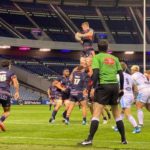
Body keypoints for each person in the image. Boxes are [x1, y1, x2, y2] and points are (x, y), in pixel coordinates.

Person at [80, 40, 127, 146]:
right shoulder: (115, 58)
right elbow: (121, 74)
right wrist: (122, 88)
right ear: (107, 47)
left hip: (104, 87)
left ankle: (89, 139)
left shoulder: (97, 57)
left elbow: (95, 74)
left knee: (96, 114)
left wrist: (90, 88)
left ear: (98, 48)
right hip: (115, 87)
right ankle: (123, 139)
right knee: (117, 114)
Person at [113, 62, 140, 133]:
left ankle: (136, 128)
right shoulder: (130, 76)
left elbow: (116, 87)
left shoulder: (117, 76)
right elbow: (135, 87)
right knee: (122, 112)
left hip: (124, 96)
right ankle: (117, 126)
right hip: (130, 95)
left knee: (127, 114)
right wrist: (135, 96)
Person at [0, 60, 19, 131]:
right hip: (5, 93)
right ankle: (1, 121)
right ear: (9, 65)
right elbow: (16, 83)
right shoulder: (11, 72)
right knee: (7, 111)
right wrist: (17, 92)